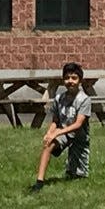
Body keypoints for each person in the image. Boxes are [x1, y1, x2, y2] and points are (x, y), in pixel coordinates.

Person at [31, 62, 90, 192]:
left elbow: (78, 124)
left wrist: (56, 133)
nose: (70, 81)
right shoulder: (59, 98)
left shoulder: (84, 99)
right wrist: (49, 133)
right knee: (48, 144)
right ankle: (39, 182)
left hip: (79, 135)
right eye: (67, 78)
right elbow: (55, 121)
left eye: (74, 78)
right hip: (63, 133)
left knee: (78, 175)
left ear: (80, 80)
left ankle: (75, 167)